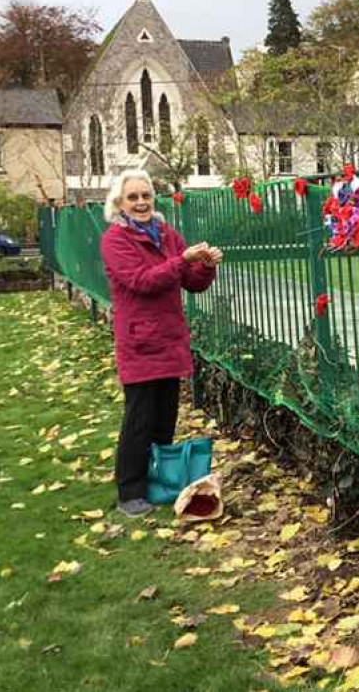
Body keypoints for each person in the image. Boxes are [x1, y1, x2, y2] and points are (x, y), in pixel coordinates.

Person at [100, 170, 222, 518]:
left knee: (165, 417)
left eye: (146, 196)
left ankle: (157, 480)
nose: (141, 203)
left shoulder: (167, 235)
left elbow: (192, 282)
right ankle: (130, 491)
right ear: (119, 204)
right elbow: (141, 281)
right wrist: (181, 260)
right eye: (133, 197)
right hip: (139, 341)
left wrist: (206, 266)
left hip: (169, 338)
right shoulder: (115, 240)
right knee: (139, 419)